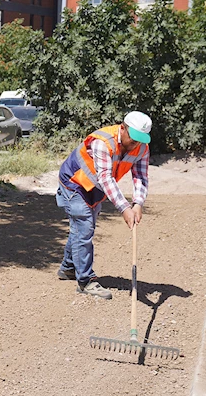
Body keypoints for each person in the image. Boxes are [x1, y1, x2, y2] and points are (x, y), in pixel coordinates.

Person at [55, 111, 152, 300]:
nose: (136, 144)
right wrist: (125, 208)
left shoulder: (142, 148)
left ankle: (68, 267)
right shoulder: (103, 142)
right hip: (74, 182)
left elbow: (141, 176)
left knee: (82, 228)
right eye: (133, 139)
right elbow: (106, 178)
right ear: (122, 128)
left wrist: (138, 203)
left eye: (140, 140)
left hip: (95, 187)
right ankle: (85, 281)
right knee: (84, 227)